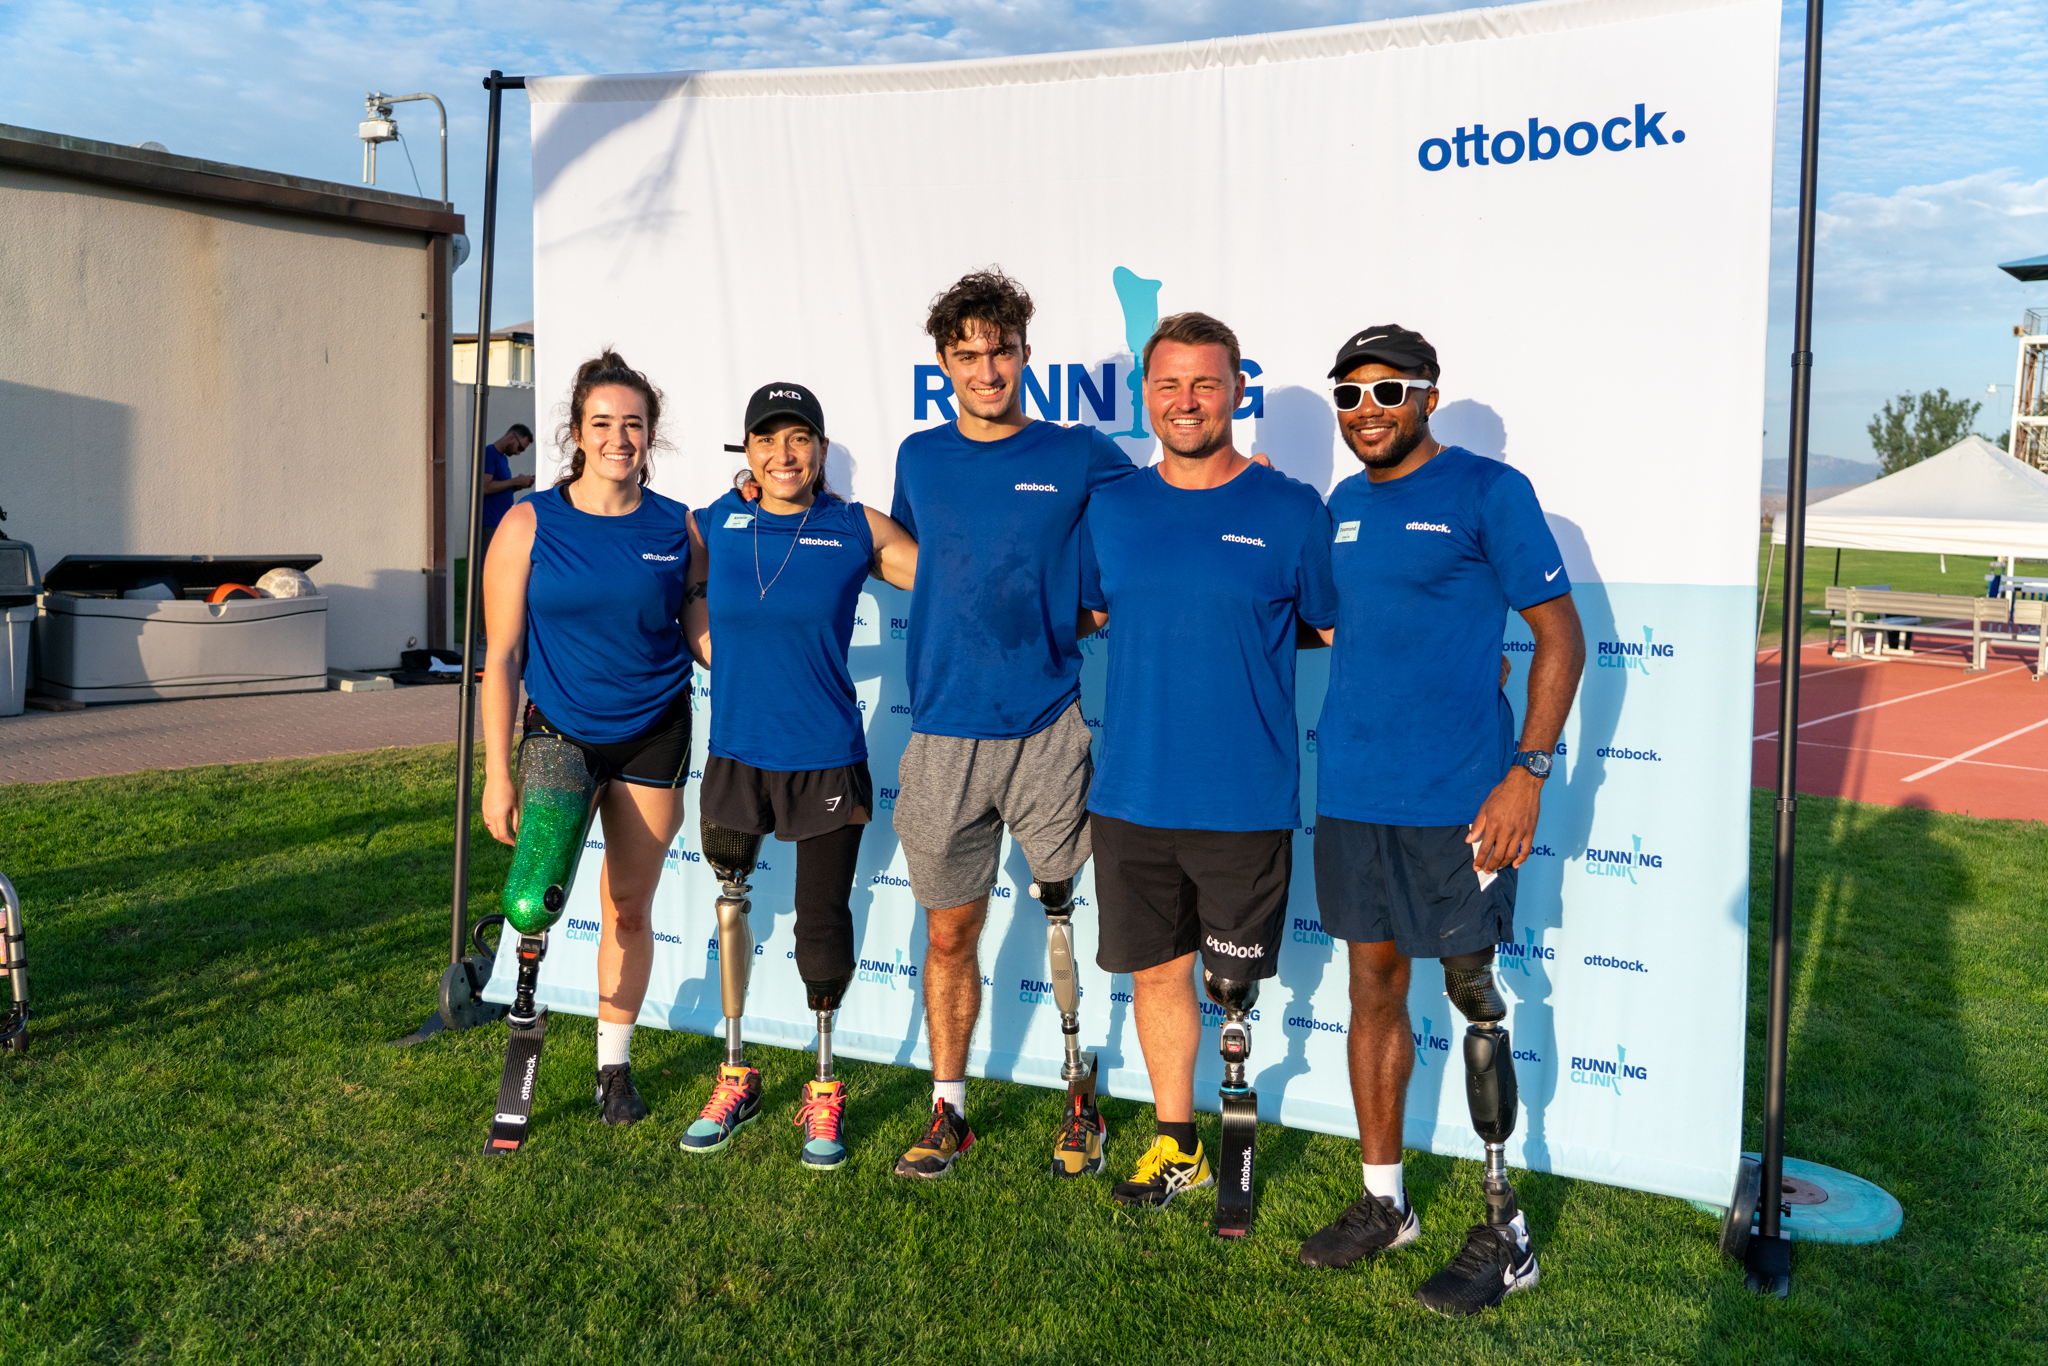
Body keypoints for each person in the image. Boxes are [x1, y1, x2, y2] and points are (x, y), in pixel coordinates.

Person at [1296, 324, 1584, 1317]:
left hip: (1460, 801)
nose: (1365, 412)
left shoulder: (1486, 491)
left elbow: (1558, 636)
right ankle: (1384, 1204)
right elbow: (1344, 625)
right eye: (1348, 395)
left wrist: (1526, 772)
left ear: (1426, 397)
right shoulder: (1337, 505)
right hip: (1352, 793)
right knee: (1370, 982)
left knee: (1473, 994)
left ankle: (1505, 1232)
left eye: (1387, 392)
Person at [1077, 312, 1337, 1209]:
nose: (1186, 402)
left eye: (1206, 383)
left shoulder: (1291, 508)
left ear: (1236, 392)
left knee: (1231, 983)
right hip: (1132, 795)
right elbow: (1077, 618)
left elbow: (1341, 629)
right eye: (1168, 385)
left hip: (1244, 799)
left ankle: (1233, 1113)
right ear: (1147, 396)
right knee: (1156, 972)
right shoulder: (1110, 509)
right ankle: (1176, 1140)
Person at [887, 268, 1135, 1179]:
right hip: (944, 733)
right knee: (949, 934)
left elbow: (1160, 516)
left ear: (1026, 352)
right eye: (967, 355)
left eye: (1001, 350)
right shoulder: (920, 457)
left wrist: (1241, 485)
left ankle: (1080, 1090)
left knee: (1065, 916)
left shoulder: (1079, 452)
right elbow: (927, 564)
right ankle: (948, 1109)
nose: (986, 369)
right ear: (944, 364)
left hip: (1047, 724)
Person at [674, 382, 917, 1169]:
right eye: (767, 440)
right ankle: (736, 1075)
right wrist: (715, 650)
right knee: (732, 904)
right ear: (748, 453)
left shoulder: (852, 527)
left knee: (820, 923)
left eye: (799, 439)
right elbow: (676, 588)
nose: (784, 455)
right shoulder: (717, 521)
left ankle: (822, 1085)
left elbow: (952, 577)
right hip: (738, 754)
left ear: (819, 450)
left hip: (827, 757)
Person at [479, 354, 696, 1127]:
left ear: (651, 435)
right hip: (560, 732)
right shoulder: (530, 522)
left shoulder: (680, 526)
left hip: (656, 733)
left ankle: (614, 1068)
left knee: (630, 908)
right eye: (602, 423)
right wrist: (496, 775)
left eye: (633, 424)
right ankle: (524, 1018)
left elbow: (701, 629)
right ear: (576, 433)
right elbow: (500, 658)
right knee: (533, 900)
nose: (618, 438)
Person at [478, 423, 536, 569]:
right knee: (490, 570)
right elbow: (484, 487)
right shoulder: (489, 453)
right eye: (520, 448)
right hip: (490, 523)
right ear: (512, 437)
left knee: (499, 569)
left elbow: (498, 489)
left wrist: (517, 486)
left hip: (500, 523)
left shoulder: (503, 459)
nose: (518, 453)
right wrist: (516, 480)